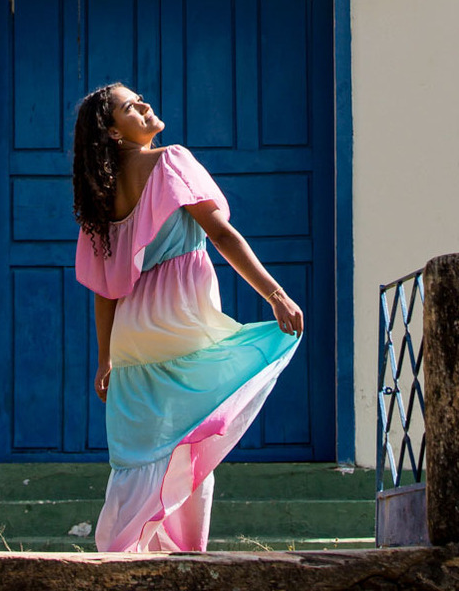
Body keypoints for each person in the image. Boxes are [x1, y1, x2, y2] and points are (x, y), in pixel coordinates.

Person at [72, 81, 304, 554]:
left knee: (141, 452)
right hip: (180, 321)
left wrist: (105, 357)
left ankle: (124, 549)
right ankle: (186, 556)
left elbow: (105, 289)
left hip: (133, 335)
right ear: (114, 133)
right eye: (129, 107)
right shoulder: (171, 160)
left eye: (139, 98)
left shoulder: (103, 196)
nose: (143, 104)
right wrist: (275, 293)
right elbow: (221, 234)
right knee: (190, 445)